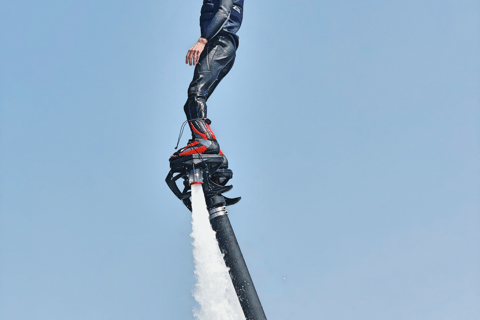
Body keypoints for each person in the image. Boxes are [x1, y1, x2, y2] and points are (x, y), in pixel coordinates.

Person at [172, 0, 244, 158]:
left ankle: (205, 142)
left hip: (219, 42)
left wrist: (202, 40)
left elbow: (224, 12)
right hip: (225, 44)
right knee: (191, 104)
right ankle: (213, 152)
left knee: (196, 93)